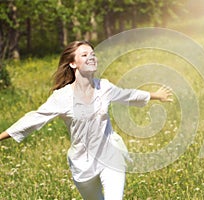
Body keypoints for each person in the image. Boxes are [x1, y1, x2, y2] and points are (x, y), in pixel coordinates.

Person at [0, 40, 173, 200]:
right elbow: (34, 119)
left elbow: (128, 95)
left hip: (110, 156)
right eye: (84, 55)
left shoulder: (103, 86)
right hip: (82, 164)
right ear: (73, 63)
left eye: (93, 54)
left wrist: (156, 95)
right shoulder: (62, 97)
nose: (91, 57)